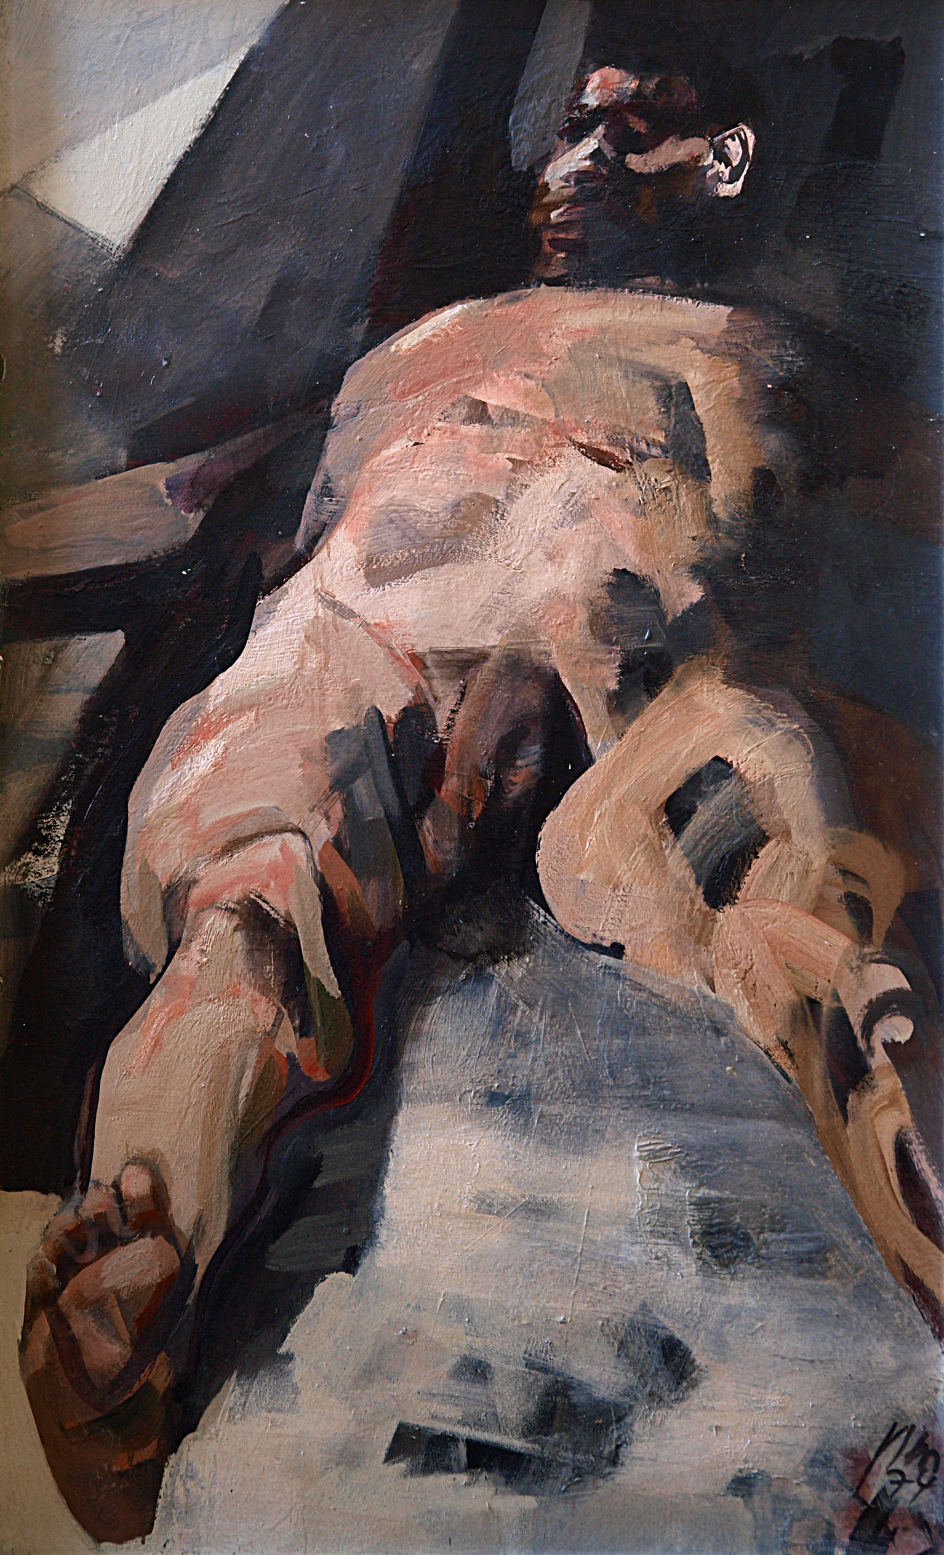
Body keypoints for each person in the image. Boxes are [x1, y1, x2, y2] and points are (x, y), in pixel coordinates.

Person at [20, 65, 943, 1544]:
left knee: (782, 875)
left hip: (641, 621)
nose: (580, 156)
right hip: (375, 625)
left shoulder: (773, 352)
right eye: (571, 128)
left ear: (724, 161)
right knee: (250, 907)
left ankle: (913, 1169)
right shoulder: (411, 355)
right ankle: (138, 1258)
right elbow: (189, 499)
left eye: (632, 125)